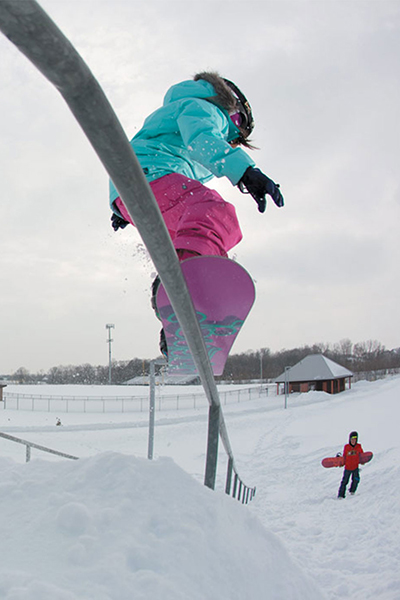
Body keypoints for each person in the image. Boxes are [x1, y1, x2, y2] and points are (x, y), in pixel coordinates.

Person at [109, 71, 284, 354]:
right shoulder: (202, 107)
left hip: (141, 187)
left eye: (237, 140)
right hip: (151, 176)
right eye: (237, 125)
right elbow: (202, 138)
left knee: (191, 239)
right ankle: (187, 291)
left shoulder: (178, 115)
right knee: (216, 214)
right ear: (230, 106)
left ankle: (178, 320)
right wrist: (246, 171)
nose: (232, 137)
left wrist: (124, 204)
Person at [338, 431, 364, 498]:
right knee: (344, 481)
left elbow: (362, 455)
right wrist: (341, 462)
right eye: (352, 439)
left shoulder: (358, 446)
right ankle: (341, 495)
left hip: (355, 467)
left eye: (355, 439)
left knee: (356, 479)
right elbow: (344, 457)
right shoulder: (347, 447)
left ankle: (352, 491)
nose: (353, 441)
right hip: (348, 468)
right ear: (349, 439)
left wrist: (363, 461)